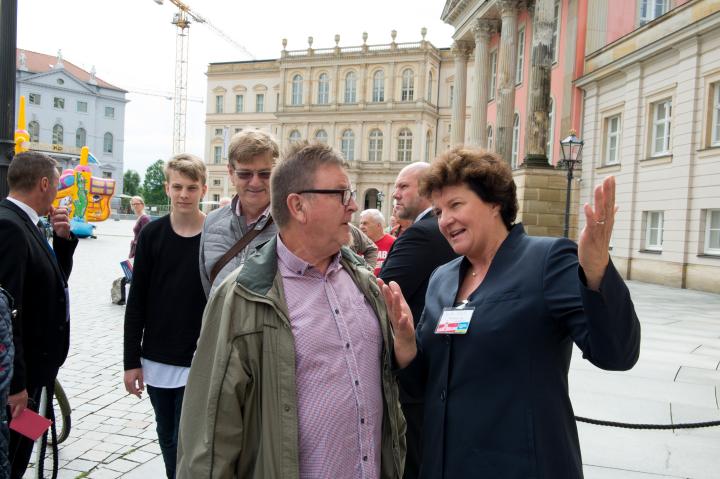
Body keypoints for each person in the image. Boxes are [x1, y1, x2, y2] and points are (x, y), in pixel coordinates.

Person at [382, 147, 641, 479]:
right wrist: (406, 348)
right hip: (445, 464)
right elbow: (427, 385)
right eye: (439, 210)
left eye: (456, 205)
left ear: (494, 203)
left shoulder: (546, 260)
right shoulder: (442, 278)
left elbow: (617, 353)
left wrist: (596, 271)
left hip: (520, 464)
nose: (445, 220)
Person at [177, 141, 405, 478]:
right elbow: (210, 436)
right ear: (298, 206)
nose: (353, 206)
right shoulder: (242, 296)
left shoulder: (364, 283)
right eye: (342, 194)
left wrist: (405, 348)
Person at [123, 154, 208, 479]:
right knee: (168, 434)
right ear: (167, 188)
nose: (184, 194)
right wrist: (131, 361)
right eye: (177, 187)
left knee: (192, 438)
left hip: (201, 357)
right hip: (158, 357)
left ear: (202, 188)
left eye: (190, 187)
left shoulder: (214, 235)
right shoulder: (152, 234)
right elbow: (137, 301)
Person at [0, 151, 78, 478]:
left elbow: (51, 283)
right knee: (14, 457)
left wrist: (62, 243)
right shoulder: (10, 226)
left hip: (36, 371)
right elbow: (7, 313)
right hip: (22, 380)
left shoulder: (27, 223)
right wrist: (15, 384)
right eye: (58, 184)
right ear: (44, 183)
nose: (58, 192)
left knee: (25, 446)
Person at [379, 162, 457, 479]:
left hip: (413, 375)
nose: (395, 194)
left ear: (426, 190)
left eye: (403, 186)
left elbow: (381, 293)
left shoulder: (421, 236)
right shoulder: (436, 232)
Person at [199, 130, 279, 298]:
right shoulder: (212, 222)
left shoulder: (291, 226)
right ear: (231, 173)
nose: (255, 182)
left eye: (265, 174)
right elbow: (208, 287)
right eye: (245, 174)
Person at [117, 196, 151, 305]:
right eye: (133, 204)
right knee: (132, 274)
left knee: (134, 275)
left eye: (137, 204)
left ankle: (135, 298)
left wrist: (138, 248)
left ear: (142, 204)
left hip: (139, 251)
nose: (135, 206)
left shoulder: (144, 218)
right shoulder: (140, 217)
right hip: (135, 249)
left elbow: (146, 237)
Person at [359, 209, 395, 276]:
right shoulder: (357, 245)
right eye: (360, 223)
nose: (361, 227)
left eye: (365, 223)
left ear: (378, 225)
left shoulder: (394, 243)